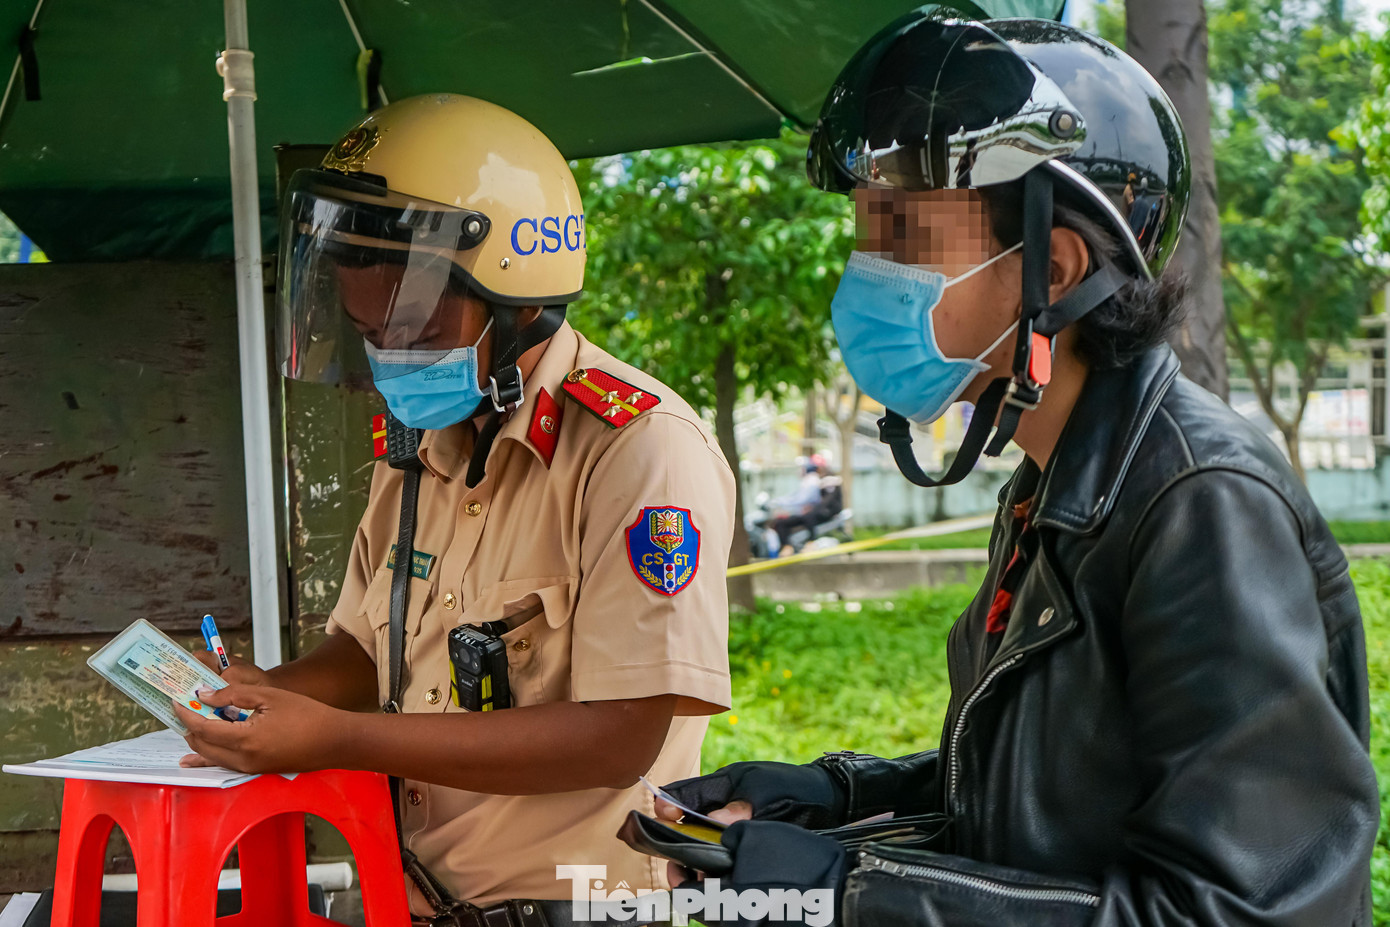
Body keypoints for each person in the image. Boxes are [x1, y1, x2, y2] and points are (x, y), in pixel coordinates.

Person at [657, 12, 1377, 926]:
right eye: (865, 237)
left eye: (905, 239)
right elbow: (1049, 795)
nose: (866, 276)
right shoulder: (1055, 484)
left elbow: (1238, 908)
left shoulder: (1200, 502)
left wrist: (850, 893)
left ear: (1055, 267)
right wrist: (833, 797)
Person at [175, 94, 736, 927]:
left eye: (415, 325)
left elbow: (620, 738)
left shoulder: (637, 451)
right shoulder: (420, 447)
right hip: (407, 901)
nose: (389, 354)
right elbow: (368, 649)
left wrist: (336, 736)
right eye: (368, 330)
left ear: (520, 301)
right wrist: (270, 693)